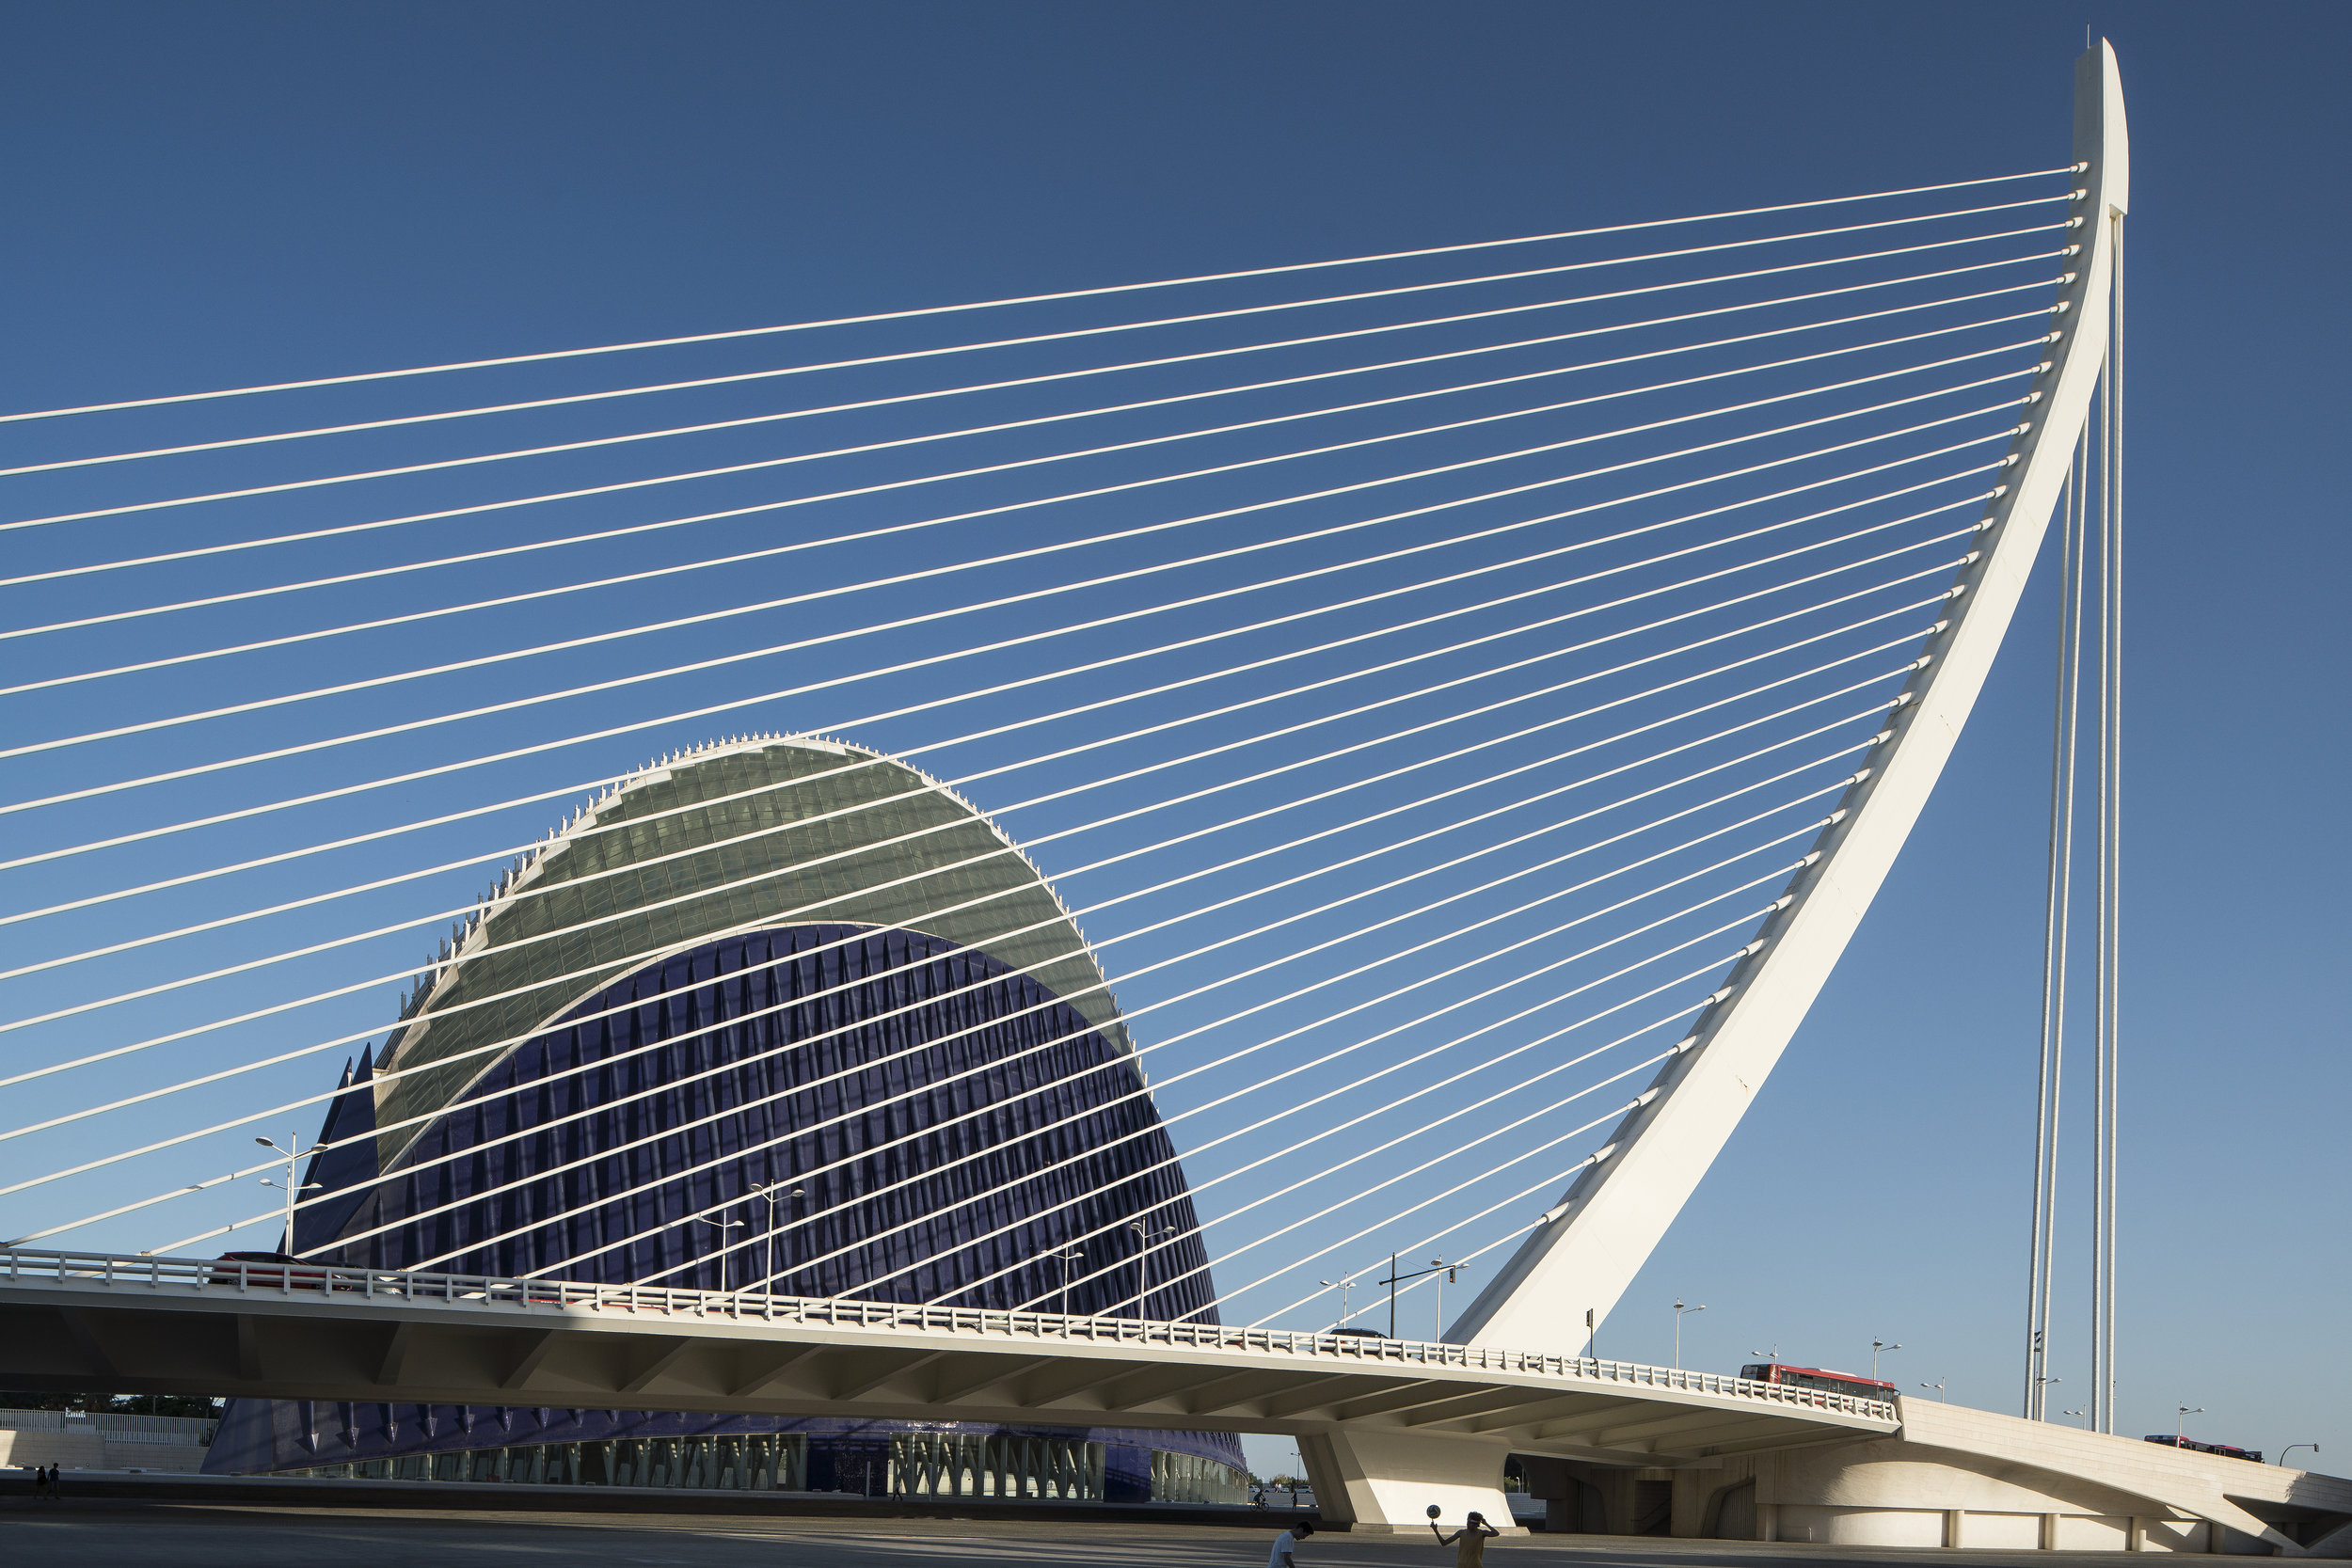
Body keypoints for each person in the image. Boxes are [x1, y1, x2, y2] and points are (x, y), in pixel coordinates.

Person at [1431, 1510, 1501, 1566]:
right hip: (1461, 1565)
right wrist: (1435, 1530)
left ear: (1476, 1524)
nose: (1467, 1524)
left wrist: (1486, 1523)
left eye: (1470, 1522)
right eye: (1467, 1521)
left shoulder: (1482, 1533)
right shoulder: (1461, 1533)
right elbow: (1444, 1543)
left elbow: (1496, 1533)